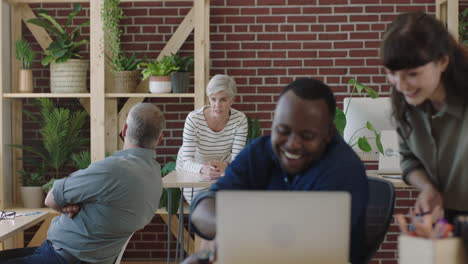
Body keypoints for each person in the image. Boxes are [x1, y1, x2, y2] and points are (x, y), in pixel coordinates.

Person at [184, 78, 369, 264]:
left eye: (307, 136)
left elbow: (305, 248)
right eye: (283, 130)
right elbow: (203, 207)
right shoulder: (259, 152)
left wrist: (239, 234)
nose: (292, 144)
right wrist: (224, 226)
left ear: (329, 134)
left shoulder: (344, 170)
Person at [0, 103, 165, 264]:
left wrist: (69, 205)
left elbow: (51, 197)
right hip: (83, 255)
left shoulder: (112, 169)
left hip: (63, 256)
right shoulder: (155, 176)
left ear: (124, 129)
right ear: (159, 138)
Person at [381, 12, 468, 223]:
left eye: (412, 74)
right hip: (445, 218)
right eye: (393, 73)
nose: (401, 86)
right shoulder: (405, 103)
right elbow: (409, 159)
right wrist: (427, 188)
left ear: (443, 62)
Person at [176, 74, 248, 204]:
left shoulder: (240, 119)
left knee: (233, 204)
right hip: (192, 171)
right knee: (205, 205)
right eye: (213, 99)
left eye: (223, 100)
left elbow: (238, 160)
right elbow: (186, 161)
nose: (217, 105)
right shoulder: (193, 119)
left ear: (232, 100)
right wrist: (203, 169)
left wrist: (225, 165)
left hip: (223, 169)